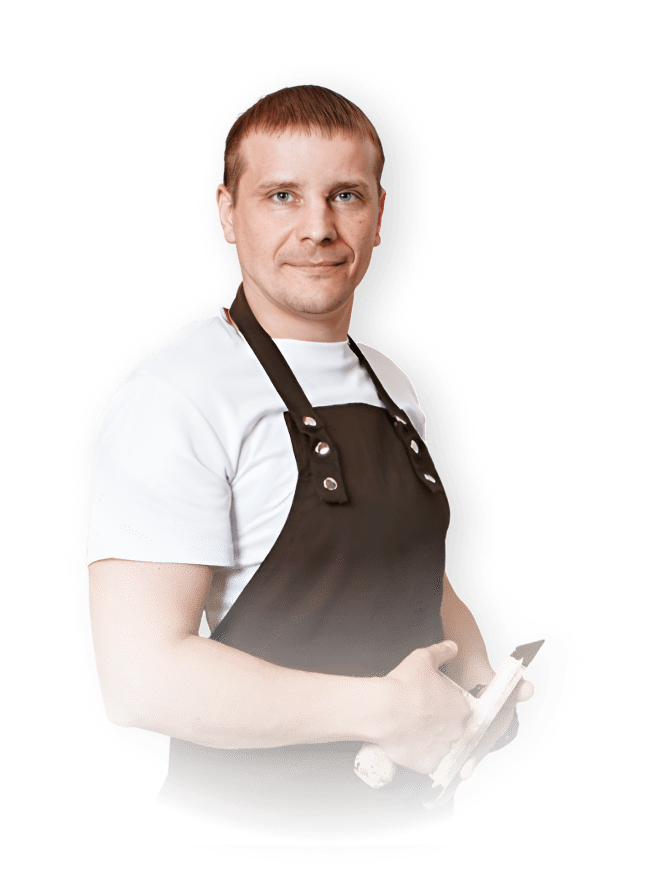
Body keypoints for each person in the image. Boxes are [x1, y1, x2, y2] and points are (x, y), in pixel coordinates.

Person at [87, 85, 533, 832]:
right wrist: (381, 711)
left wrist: (476, 680)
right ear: (228, 212)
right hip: (234, 835)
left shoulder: (391, 383)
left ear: (379, 215)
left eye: (345, 196)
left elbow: (414, 574)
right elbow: (140, 680)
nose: (318, 228)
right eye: (282, 196)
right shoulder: (177, 392)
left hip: (412, 823)